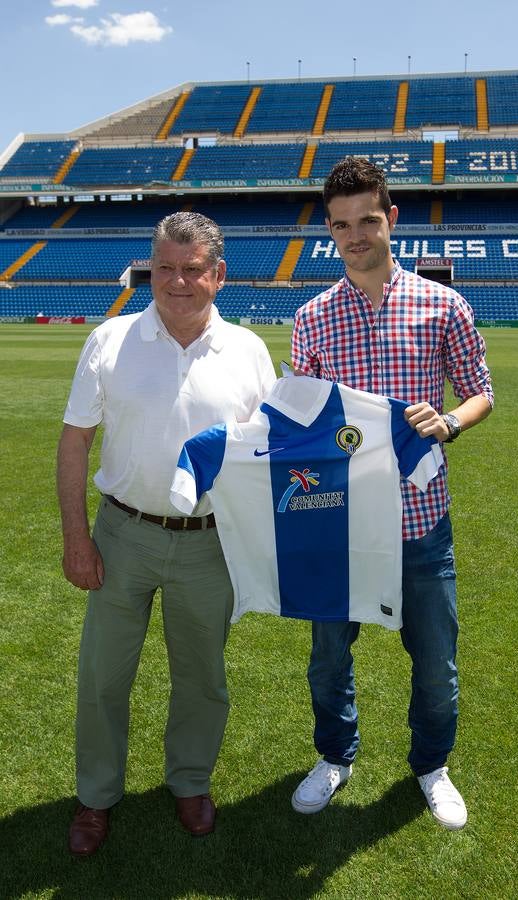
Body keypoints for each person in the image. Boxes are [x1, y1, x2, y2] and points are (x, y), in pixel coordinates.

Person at [57, 211, 276, 856]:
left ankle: (189, 781)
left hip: (211, 541)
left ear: (218, 275)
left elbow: (269, 450)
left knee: (202, 675)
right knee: (102, 675)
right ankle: (95, 797)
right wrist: (76, 536)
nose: (175, 282)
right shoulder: (109, 340)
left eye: (191, 270)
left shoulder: (249, 351)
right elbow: (75, 442)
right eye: (163, 269)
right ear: (148, 269)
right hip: (123, 534)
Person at [290, 157, 494, 830]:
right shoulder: (311, 317)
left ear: (391, 219)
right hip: (338, 528)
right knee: (327, 662)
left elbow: (480, 394)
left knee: (437, 667)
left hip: (420, 526)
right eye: (342, 225)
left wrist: (450, 423)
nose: (356, 235)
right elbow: (300, 418)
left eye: (368, 221)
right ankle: (335, 756)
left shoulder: (444, 305)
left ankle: (433, 767)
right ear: (329, 229)